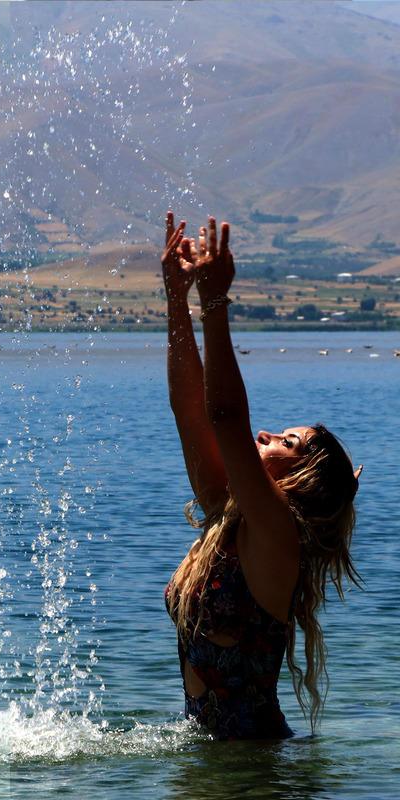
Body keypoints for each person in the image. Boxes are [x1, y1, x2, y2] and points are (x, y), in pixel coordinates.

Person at [160, 212, 360, 739]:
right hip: (218, 766)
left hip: (260, 769)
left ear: (304, 478)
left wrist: (214, 302)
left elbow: (226, 417)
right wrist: (177, 300)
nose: (266, 434)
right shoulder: (229, 520)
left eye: (285, 442)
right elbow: (191, 412)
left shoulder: (277, 535)